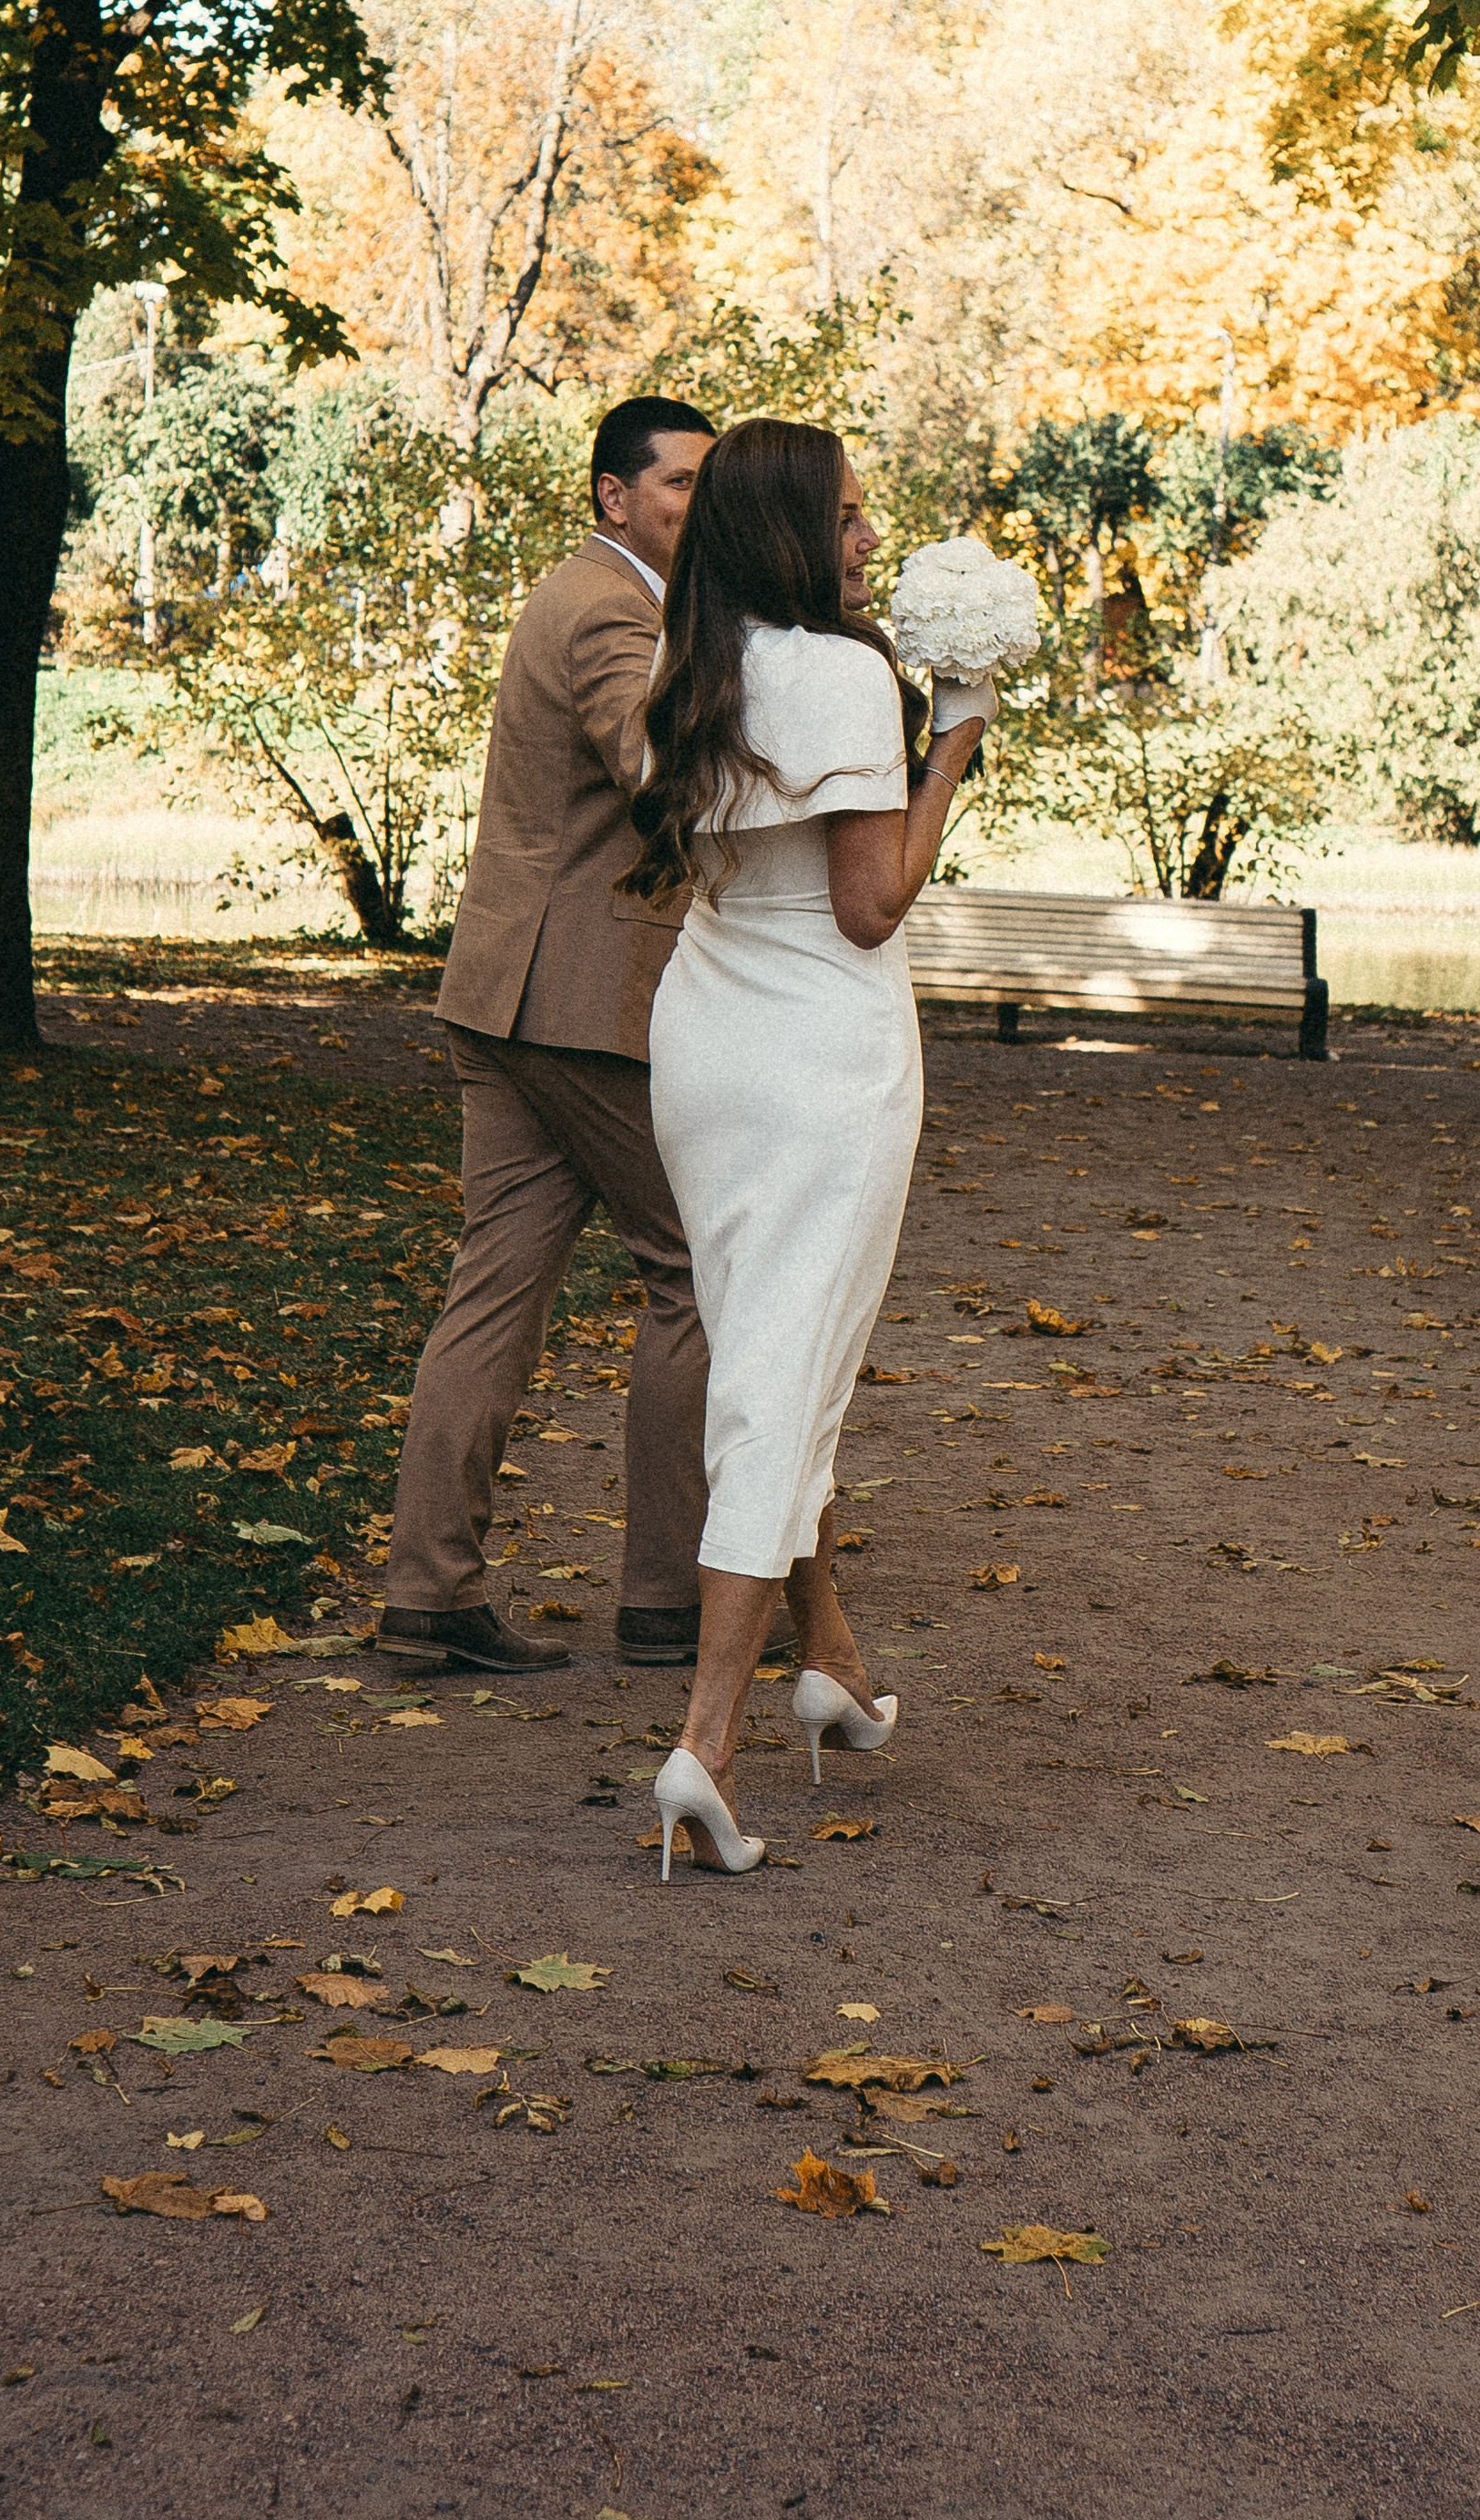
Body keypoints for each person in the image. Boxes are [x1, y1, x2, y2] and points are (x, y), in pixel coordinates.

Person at [623, 418, 987, 1876]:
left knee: (776, 1345)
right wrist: (952, 741)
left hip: (708, 1030)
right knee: (780, 1375)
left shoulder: (690, 663)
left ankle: (824, 1656)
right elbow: (871, 903)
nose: (862, 540)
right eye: (842, 518)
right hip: (822, 1048)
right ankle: (706, 1743)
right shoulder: (842, 678)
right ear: (785, 532)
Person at [378, 394, 718, 1676]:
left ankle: (430, 1590)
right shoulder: (609, 608)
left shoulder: (595, 595)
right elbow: (654, 757)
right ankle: (667, 1598)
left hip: (507, 997)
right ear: (612, 496)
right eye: (678, 482)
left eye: (707, 483)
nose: (698, 503)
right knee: (698, 1273)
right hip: (580, 1005)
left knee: (494, 1294)